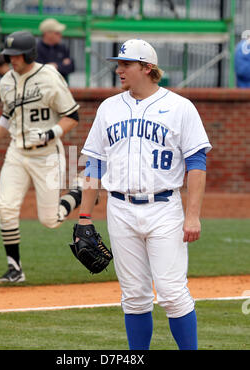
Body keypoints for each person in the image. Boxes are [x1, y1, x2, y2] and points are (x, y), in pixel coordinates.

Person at [77, 39, 212, 350]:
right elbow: (94, 162)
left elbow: (196, 162)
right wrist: (85, 217)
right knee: (134, 296)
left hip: (164, 208)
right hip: (120, 209)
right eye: (119, 63)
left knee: (172, 293)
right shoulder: (109, 108)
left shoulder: (180, 108)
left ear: (147, 68)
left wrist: (192, 215)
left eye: (126, 64)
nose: (119, 69)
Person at [0, 31, 82, 284]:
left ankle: (79, 191)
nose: (12, 60)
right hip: (17, 152)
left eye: (16, 55)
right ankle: (15, 269)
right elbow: (7, 116)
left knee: (50, 220)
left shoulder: (49, 77)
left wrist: (49, 134)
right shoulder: (6, 82)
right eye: (9, 55)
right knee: (6, 209)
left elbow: (72, 116)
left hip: (46, 155)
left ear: (30, 54)